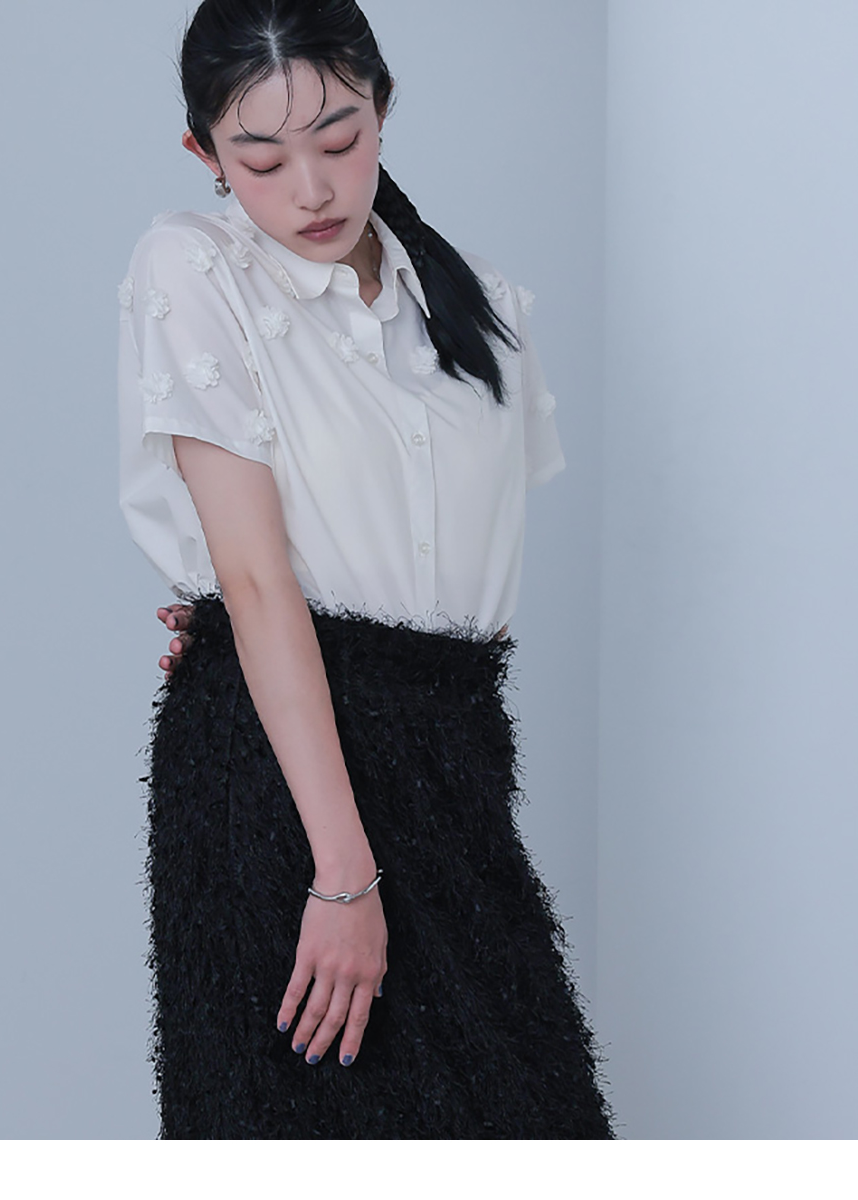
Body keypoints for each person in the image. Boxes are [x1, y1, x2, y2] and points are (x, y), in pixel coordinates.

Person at [118, 0, 615, 1139]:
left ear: (383, 110)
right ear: (204, 153)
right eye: (261, 159)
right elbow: (257, 582)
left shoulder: (475, 301)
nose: (312, 189)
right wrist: (342, 875)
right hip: (288, 780)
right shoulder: (195, 267)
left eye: (339, 140)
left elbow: (451, 565)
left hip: (450, 751)